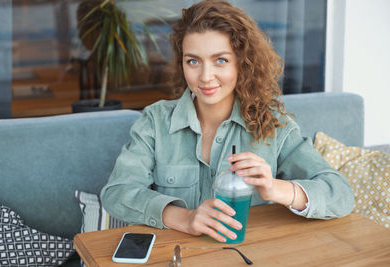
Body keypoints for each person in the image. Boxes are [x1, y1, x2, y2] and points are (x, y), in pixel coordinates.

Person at [100, 0, 355, 243]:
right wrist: (184, 218)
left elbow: (340, 194)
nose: (205, 76)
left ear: (242, 65)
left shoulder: (275, 126)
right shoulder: (155, 122)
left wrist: (274, 188)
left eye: (220, 60)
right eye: (193, 61)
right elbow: (117, 192)